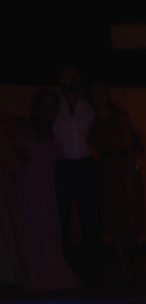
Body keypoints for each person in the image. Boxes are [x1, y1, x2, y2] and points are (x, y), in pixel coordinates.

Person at [14, 90, 78, 293]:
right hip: (28, 190)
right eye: (44, 105)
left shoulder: (59, 131)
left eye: (52, 106)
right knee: (30, 233)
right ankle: (35, 278)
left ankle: (54, 276)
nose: (47, 110)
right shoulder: (25, 129)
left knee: (50, 231)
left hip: (49, 190)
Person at [88, 80, 142, 282]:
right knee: (114, 219)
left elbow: (130, 147)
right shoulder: (92, 120)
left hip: (121, 169)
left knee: (128, 218)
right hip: (106, 171)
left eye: (102, 91)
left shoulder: (118, 118)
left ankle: (130, 263)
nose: (99, 96)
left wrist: (130, 174)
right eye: (95, 92)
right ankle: (122, 264)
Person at [53, 65, 100, 282]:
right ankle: (60, 269)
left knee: (88, 218)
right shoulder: (55, 105)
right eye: (66, 76)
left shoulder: (89, 104)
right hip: (62, 165)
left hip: (85, 164)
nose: (71, 81)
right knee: (61, 217)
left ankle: (91, 269)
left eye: (74, 76)